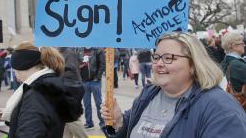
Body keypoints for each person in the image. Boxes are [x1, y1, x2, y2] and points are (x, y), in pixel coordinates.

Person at [101, 32, 246, 137]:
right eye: (156, 57)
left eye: (168, 58)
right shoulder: (149, 94)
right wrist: (119, 122)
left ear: (193, 64)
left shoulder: (222, 110)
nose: (158, 64)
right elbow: (126, 130)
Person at [1, 43, 83, 138]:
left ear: (21, 67)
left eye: (14, 70)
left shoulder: (36, 93)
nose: (15, 75)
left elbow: (30, 131)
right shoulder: (49, 85)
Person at [59, 47, 88, 138]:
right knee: (64, 120)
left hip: (70, 88)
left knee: (71, 118)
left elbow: (71, 72)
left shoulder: (69, 54)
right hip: (66, 88)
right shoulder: (62, 53)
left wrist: (56, 73)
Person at [78, 47, 105, 130]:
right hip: (84, 81)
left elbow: (102, 64)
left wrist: (97, 77)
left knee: (98, 103)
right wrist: (81, 65)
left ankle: (102, 122)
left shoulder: (98, 50)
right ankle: (89, 122)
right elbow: (76, 64)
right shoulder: (79, 50)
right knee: (86, 103)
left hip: (95, 81)